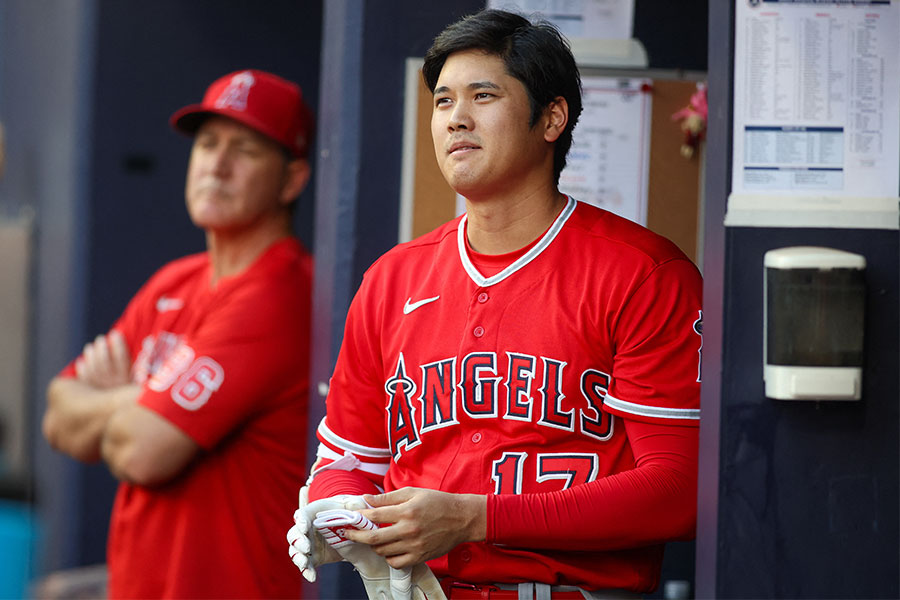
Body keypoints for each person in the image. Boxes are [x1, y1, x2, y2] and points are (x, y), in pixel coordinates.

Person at [288, 8, 702, 600]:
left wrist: (476, 517)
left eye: (483, 95)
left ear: (552, 118)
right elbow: (349, 460)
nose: (456, 118)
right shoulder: (391, 279)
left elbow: (679, 491)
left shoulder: (644, 273)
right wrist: (338, 511)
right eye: (442, 101)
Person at [43, 69, 315, 599]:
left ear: (291, 180)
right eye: (207, 144)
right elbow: (57, 416)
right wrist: (143, 401)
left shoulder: (280, 293)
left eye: (246, 150)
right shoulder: (174, 282)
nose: (217, 165)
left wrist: (122, 400)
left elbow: (142, 452)